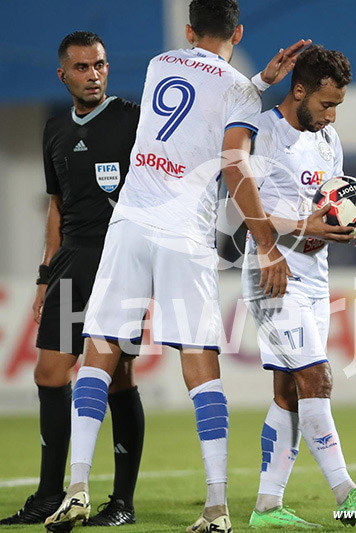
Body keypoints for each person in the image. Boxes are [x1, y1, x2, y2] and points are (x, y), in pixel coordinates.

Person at [44, 1, 310, 532]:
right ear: (238, 30)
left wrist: (255, 82)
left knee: (98, 351)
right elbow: (233, 161)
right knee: (198, 361)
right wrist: (266, 242)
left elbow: (197, 95)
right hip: (184, 232)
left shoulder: (161, 63)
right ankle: (216, 507)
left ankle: (76, 489)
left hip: (131, 223)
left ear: (189, 30)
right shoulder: (238, 90)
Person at [242, 45, 356, 528]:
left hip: (314, 275)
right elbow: (246, 211)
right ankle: (347, 494)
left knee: (288, 390)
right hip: (272, 272)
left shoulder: (329, 140)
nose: (330, 116)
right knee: (317, 377)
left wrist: (347, 225)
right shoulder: (261, 133)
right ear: (299, 90)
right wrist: (307, 227)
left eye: (337, 107)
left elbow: (328, 204)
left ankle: (267, 508)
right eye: (325, 104)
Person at [0, 32, 144, 528]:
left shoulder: (133, 118)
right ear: (63, 75)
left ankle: (121, 501)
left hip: (119, 262)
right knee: (50, 373)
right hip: (69, 265)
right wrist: (45, 274)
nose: (94, 74)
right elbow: (57, 206)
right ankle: (48, 494)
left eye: (100, 64)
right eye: (82, 67)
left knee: (117, 377)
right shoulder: (55, 130)